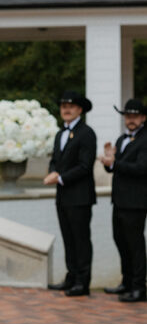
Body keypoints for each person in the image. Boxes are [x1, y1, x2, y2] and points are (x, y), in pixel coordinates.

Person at [44, 91, 96, 297]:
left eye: (71, 106)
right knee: (68, 238)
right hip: (63, 196)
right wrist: (52, 172)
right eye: (63, 106)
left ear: (79, 110)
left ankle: (83, 282)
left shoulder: (87, 133)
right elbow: (55, 160)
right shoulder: (59, 134)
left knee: (81, 239)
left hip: (80, 196)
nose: (66, 109)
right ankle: (71, 277)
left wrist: (60, 177)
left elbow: (85, 165)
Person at [100, 98, 147, 303]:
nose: (131, 120)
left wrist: (115, 163)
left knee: (135, 244)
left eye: (135, 116)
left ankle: (139, 287)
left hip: (136, 202)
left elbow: (141, 169)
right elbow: (115, 168)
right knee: (121, 241)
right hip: (119, 200)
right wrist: (109, 161)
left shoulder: (146, 139)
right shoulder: (121, 139)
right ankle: (126, 281)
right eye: (128, 116)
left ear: (143, 118)